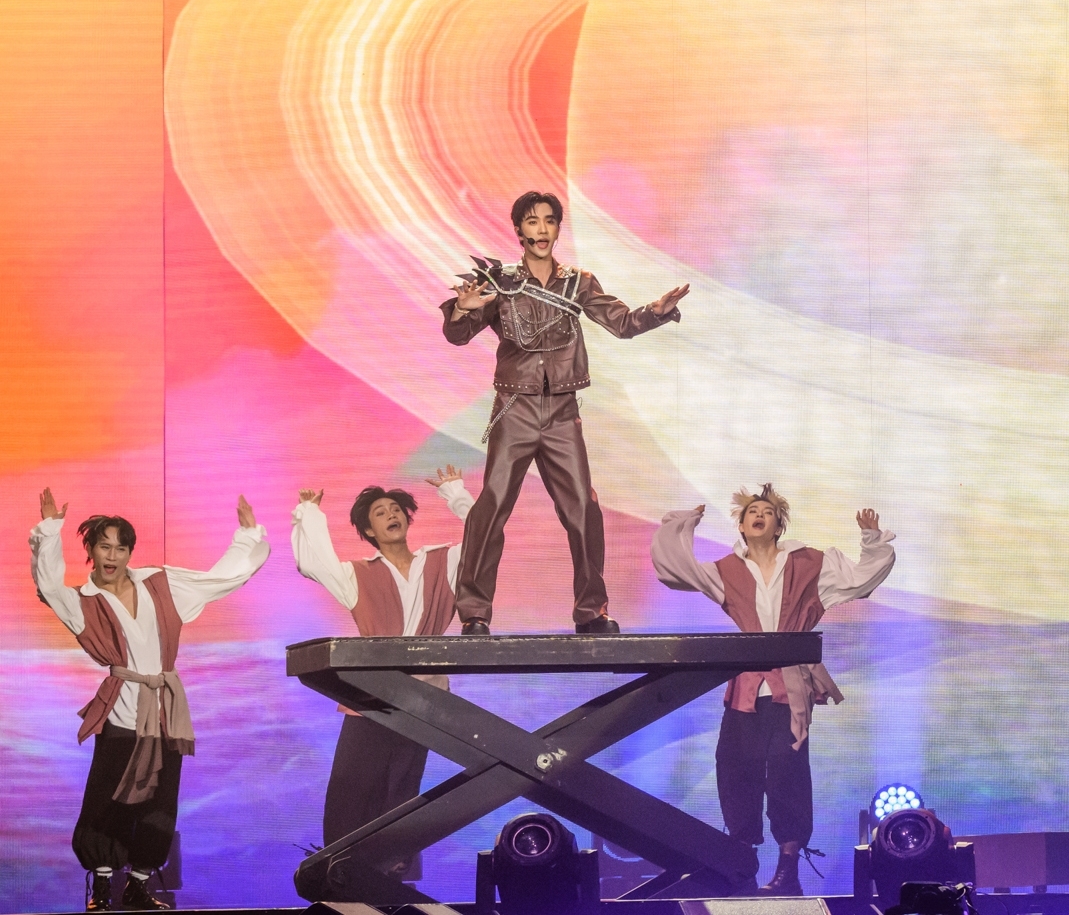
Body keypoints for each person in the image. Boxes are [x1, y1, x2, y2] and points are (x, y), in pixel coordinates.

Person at [442, 189, 690, 634]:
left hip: (561, 412)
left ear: (558, 228)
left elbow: (621, 323)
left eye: (549, 220)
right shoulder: (499, 282)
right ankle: (475, 613)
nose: (542, 229)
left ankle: (591, 612)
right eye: (532, 221)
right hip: (514, 408)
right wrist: (463, 308)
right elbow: (457, 336)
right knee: (492, 505)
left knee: (583, 508)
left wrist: (655, 312)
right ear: (518, 230)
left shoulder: (579, 283)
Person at [651, 485, 896, 896]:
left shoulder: (809, 564)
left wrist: (871, 538)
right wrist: (683, 523)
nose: (759, 515)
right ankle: (741, 865)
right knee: (735, 767)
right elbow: (675, 570)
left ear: (779, 525)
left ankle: (788, 869)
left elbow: (861, 580)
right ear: (742, 526)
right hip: (746, 688)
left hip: (790, 687)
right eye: (752, 512)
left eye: (767, 511)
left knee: (787, 771)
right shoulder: (727, 570)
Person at [32, 489, 269, 912]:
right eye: (104, 546)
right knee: (109, 796)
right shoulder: (82, 602)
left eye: (120, 548)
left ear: (129, 553)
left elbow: (216, 581)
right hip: (123, 709)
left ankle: (139, 884)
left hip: (164, 710)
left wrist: (248, 537)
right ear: (91, 551)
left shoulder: (159, 584)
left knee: (160, 799)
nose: (112, 556)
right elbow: (48, 583)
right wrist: (50, 530)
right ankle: (102, 883)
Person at [291, 467, 477, 872]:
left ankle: (394, 873)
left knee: (402, 788)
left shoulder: (441, 561)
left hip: (424, 698)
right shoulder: (359, 574)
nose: (391, 514)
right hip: (371, 695)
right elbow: (312, 563)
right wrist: (310, 514)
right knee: (351, 786)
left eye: (396, 509)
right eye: (380, 512)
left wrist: (454, 492)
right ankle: (341, 872)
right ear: (368, 530)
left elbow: (485, 535)